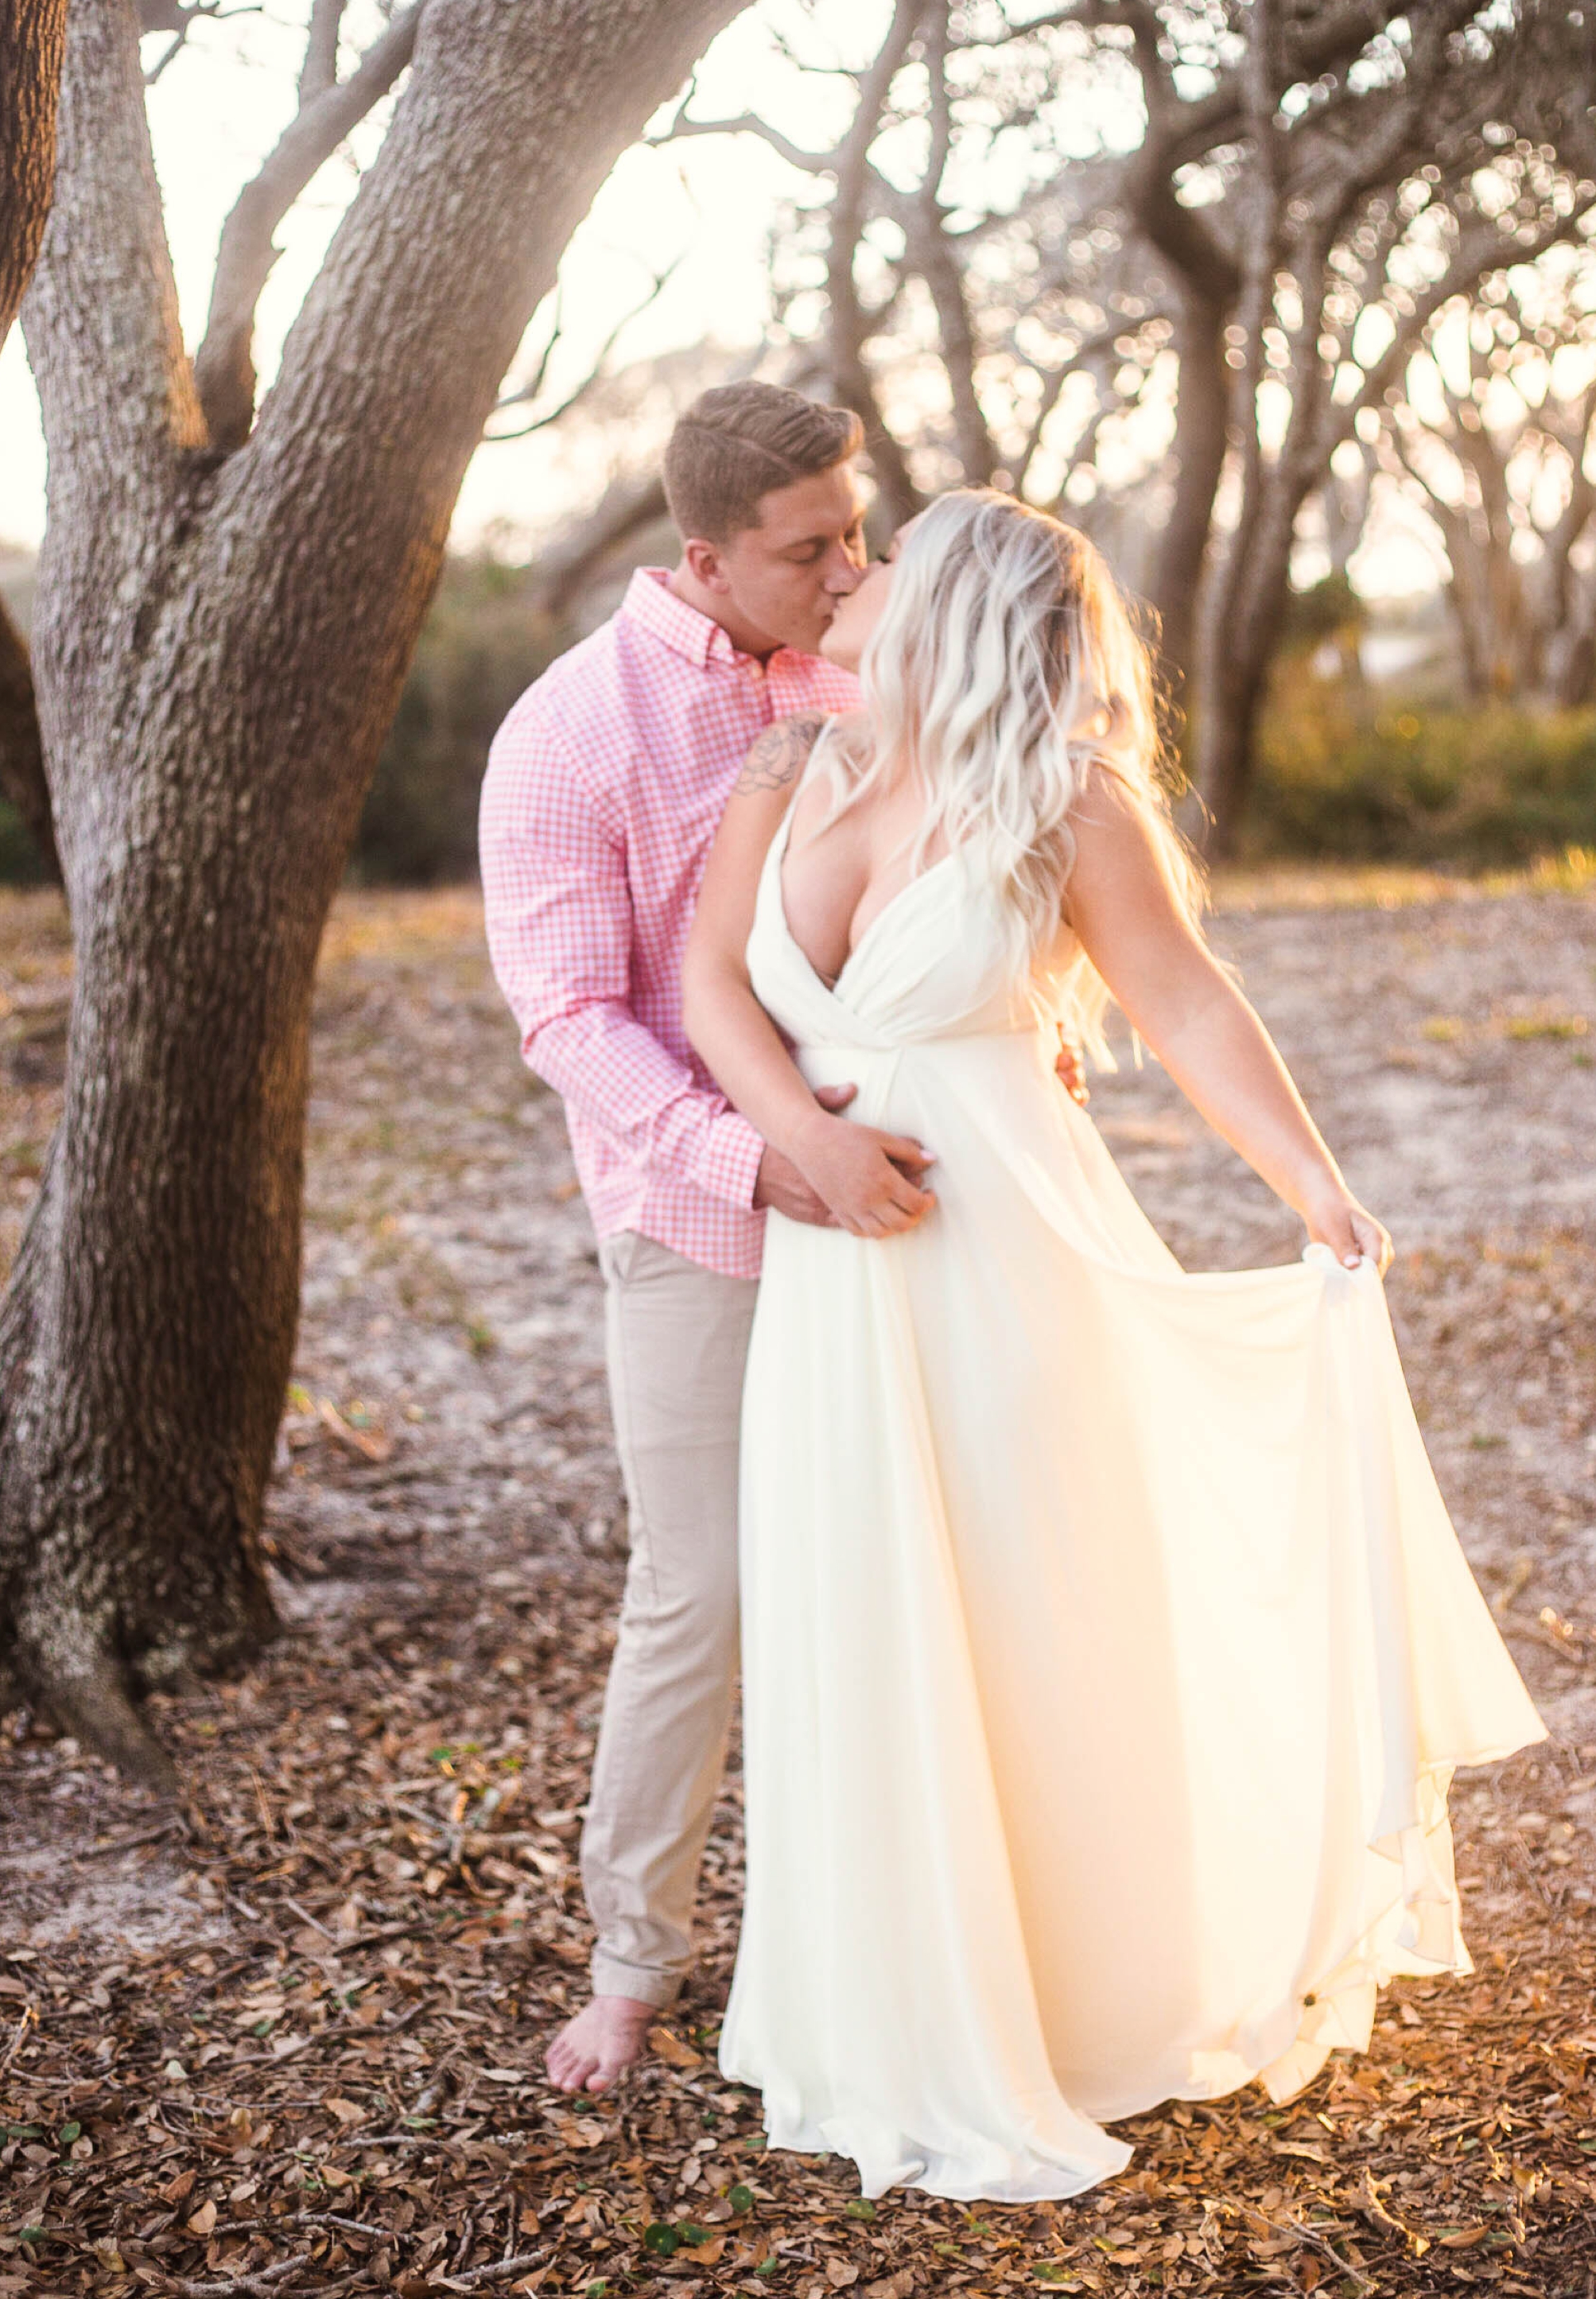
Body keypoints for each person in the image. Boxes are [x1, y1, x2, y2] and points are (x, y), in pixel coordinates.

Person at [681, 488, 1547, 2203]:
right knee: (854, 1600)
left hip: (1002, 1259)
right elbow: (712, 979)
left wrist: (1311, 1177)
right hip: (837, 1267)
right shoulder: (786, 772)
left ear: (955, 611)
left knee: (1025, 1611)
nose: (846, 580)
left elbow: (1187, 1000)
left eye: (884, 564)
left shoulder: (1065, 805)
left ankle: (1071, 1999)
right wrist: (802, 1135)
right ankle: (880, 2002)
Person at [479, 386, 1085, 2092]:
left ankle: (963, 1933)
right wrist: (762, 1156)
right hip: (703, 1215)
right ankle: (627, 1966)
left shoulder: (863, 659)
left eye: (857, 528)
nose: (851, 569)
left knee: (945, 1553)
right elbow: (570, 1019)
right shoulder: (567, 733)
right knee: (707, 1584)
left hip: (915, 1191)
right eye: (808, 548)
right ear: (704, 558)